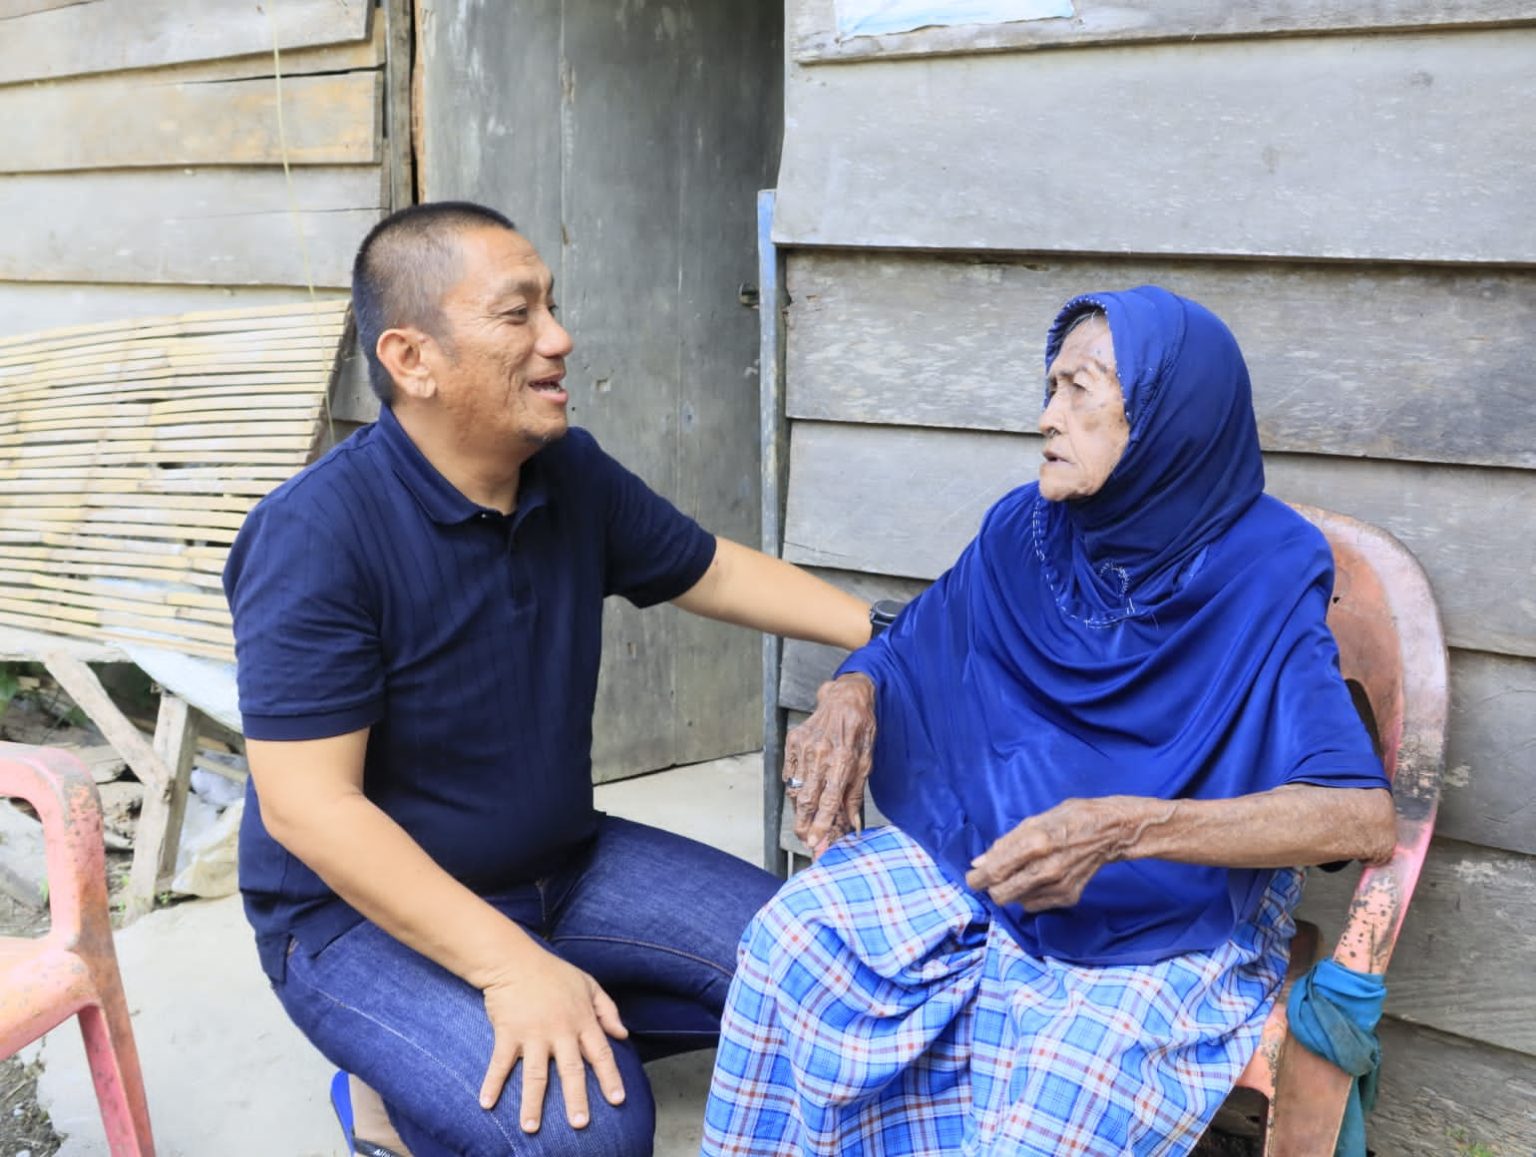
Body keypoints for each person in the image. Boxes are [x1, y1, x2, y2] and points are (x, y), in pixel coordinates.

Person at [222, 201, 875, 1156]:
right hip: (353, 918)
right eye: (517, 313)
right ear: (412, 359)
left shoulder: (567, 470)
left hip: (564, 866)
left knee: (835, 979)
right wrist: (507, 969)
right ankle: (390, 1094)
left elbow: (714, 569)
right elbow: (310, 809)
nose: (559, 338)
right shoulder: (316, 536)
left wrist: (889, 633)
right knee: (590, 1133)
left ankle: (514, 1018)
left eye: (552, 306)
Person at [702, 286, 1397, 1156]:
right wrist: (852, 690)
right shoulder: (1028, 530)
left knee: (1043, 1117)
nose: (1046, 416)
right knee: (788, 944)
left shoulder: (1263, 570)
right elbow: (911, 641)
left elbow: (1360, 816)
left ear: (1168, 419)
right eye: (1051, 385)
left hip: (1165, 902)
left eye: (1081, 390)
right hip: (998, 850)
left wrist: (1126, 827)